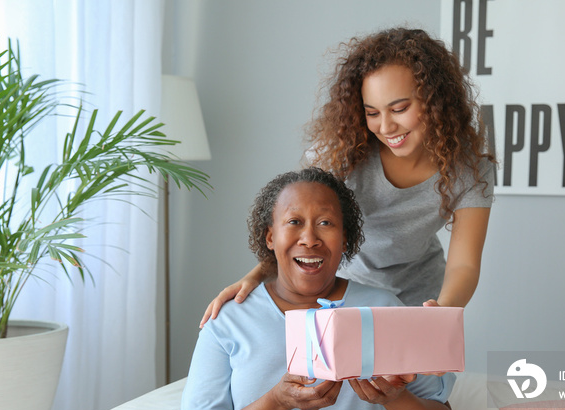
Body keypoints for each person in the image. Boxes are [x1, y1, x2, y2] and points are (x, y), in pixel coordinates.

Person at [201, 27, 495, 324]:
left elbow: (464, 265)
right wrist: (255, 277)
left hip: (421, 295)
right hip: (343, 291)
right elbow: (298, 229)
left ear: (436, 102)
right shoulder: (339, 154)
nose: (386, 127)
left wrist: (442, 312)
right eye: (373, 113)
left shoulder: (471, 170)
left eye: (399, 108)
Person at [177, 168, 454, 410]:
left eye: (325, 223)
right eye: (294, 222)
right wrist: (277, 401)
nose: (309, 239)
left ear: (345, 240)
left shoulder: (383, 308)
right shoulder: (229, 320)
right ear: (270, 237)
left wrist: (394, 398)